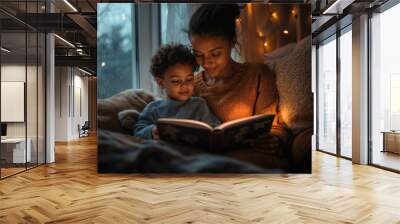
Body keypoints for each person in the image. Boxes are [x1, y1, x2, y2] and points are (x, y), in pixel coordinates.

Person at [187, 4, 291, 161]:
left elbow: (274, 125)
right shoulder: (190, 85)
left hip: (249, 157)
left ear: (232, 42)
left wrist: (274, 139)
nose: (206, 62)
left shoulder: (258, 75)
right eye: (198, 54)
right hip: (204, 159)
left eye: (215, 54)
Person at [133, 44, 221, 140]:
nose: (184, 85)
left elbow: (214, 127)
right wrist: (152, 131)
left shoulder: (199, 104)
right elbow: (138, 131)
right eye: (176, 81)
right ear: (161, 82)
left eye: (189, 79)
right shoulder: (154, 108)